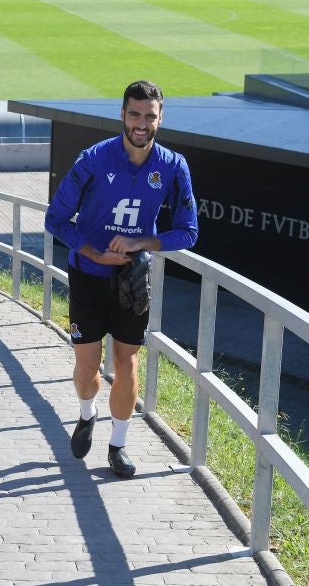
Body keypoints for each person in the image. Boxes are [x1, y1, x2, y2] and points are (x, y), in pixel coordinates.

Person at [44, 80, 198, 478]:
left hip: (131, 279)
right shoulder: (93, 159)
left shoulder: (172, 166)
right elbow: (55, 219)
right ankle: (86, 413)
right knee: (87, 366)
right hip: (88, 276)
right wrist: (94, 251)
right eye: (135, 114)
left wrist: (142, 243)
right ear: (122, 115)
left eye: (150, 115)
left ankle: (118, 446)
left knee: (127, 361)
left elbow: (188, 231)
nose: (141, 123)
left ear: (160, 118)